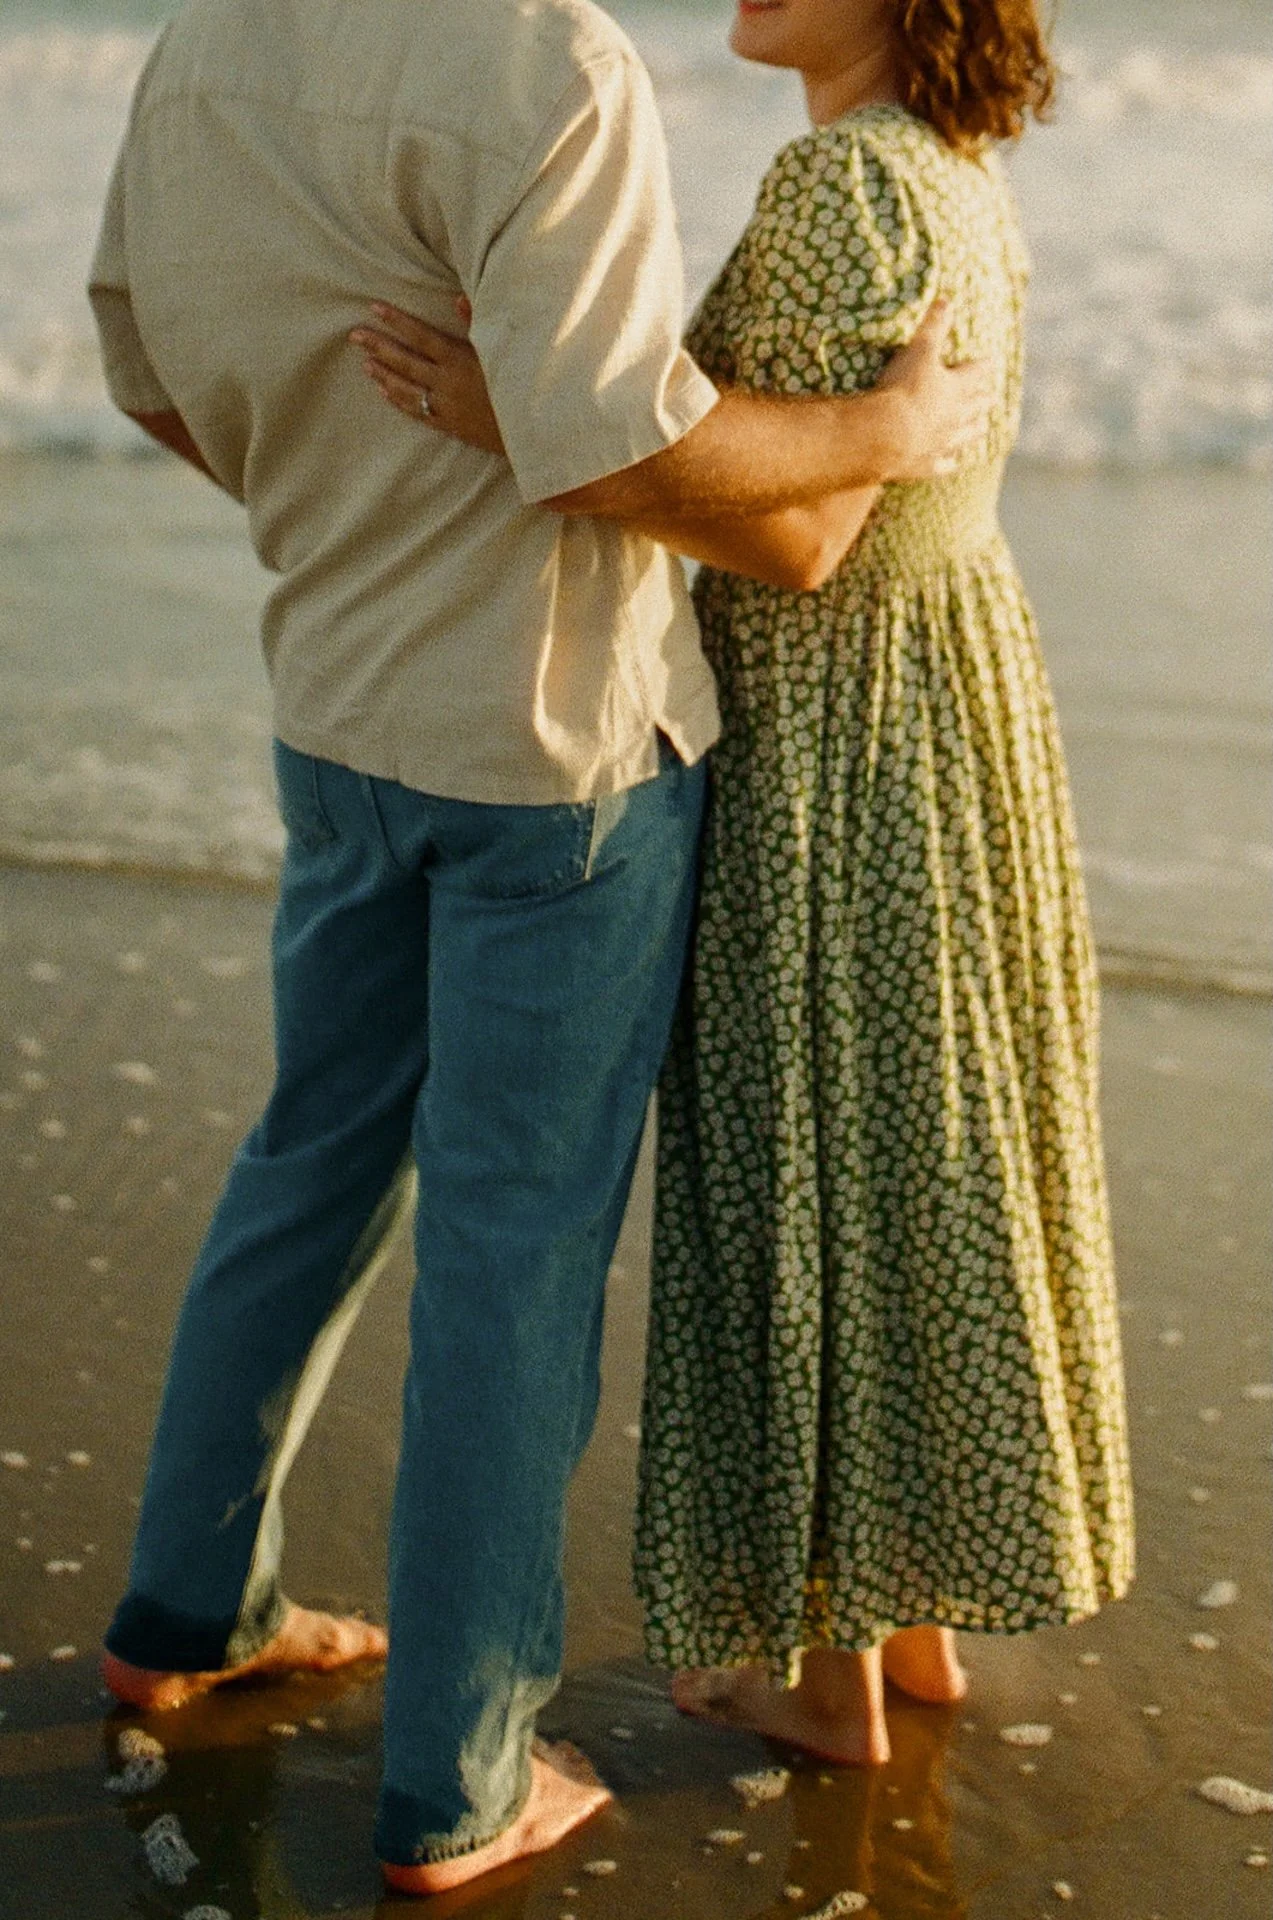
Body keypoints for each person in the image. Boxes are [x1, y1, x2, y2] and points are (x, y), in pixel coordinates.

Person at [87, 0, 992, 1893]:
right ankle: (460, 1785)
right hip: (549, 749)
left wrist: (346, 503)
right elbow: (608, 450)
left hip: (338, 707)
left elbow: (145, 364)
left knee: (309, 1161)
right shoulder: (552, 62)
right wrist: (888, 424)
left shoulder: (203, 38)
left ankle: (184, 1616)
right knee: (510, 1261)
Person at [354, 0, 1135, 1780]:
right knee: (907, 1143)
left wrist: (515, 418)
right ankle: (911, 1627)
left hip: (840, 714)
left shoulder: (840, 186)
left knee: (819, 1155)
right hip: (944, 692)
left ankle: (828, 1683)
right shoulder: (948, 170)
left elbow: (798, 532)